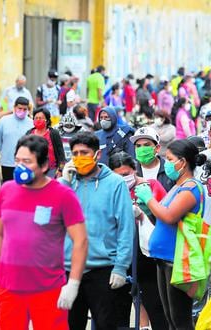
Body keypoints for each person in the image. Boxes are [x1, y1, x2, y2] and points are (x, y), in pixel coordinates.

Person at [0, 135, 87, 330]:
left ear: (43, 166)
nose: (20, 167)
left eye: (26, 162)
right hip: (9, 288)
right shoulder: (7, 190)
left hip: (48, 289)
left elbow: (81, 241)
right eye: (17, 161)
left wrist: (73, 283)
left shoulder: (63, 195)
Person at [59, 132, 134, 330]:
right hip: (67, 270)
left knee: (105, 325)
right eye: (75, 153)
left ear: (97, 154)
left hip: (103, 270)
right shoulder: (66, 183)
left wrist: (121, 267)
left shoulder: (115, 184)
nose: (79, 157)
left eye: (84, 152)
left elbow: (126, 228)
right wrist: (64, 184)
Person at [133, 139, 207, 330]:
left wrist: (149, 199)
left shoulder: (191, 187)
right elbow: (160, 219)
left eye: (169, 159)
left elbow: (169, 216)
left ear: (182, 162)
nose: (166, 163)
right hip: (163, 259)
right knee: (170, 318)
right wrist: (147, 210)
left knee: (180, 319)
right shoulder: (177, 186)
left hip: (178, 260)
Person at [108, 152, 168, 330]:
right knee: (119, 305)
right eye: (118, 175)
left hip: (146, 254)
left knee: (155, 304)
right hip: (118, 253)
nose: (123, 178)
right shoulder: (109, 189)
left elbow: (165, 215)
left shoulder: (151, 186)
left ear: (134, 170)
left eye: (126, 174)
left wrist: (144, 213)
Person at [0, 97, 34, 183]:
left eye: (25, 109)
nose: (22, 111)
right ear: (14, 107)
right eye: (19, 108)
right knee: (8, 186)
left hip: (25, 163)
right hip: (7, 162)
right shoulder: (4, 121)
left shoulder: (31, 123)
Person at [130, 126, 174, 191]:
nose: (142, 149)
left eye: (147, 145)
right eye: (138, 146)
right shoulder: (131, 172)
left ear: (157, 148)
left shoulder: (169, 169)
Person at [26, 108, 66, 177]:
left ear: (47, 121)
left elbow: (61, 155)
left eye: (40, 118)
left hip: (51, 170)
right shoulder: (29, 134)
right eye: (36, 118)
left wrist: (60, 170)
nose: (38, 120)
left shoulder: (53, 133)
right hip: (33, 170)